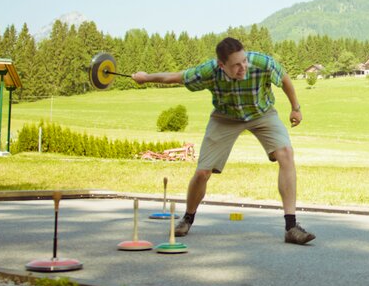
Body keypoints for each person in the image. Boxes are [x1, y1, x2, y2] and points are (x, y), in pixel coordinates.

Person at [132, 37, 315, 245]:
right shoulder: (209, 71)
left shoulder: (262, 63)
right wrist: (145, 77)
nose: (242, 67)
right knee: (202, 172)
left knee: (286, 153)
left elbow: (285, 80)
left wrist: (295, 108)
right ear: (221, 65)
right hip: (225, 117)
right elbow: (175, 77)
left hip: (262, 113)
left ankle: (291, 227)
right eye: (236, 65)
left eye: (244, 61)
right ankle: (188, 218)